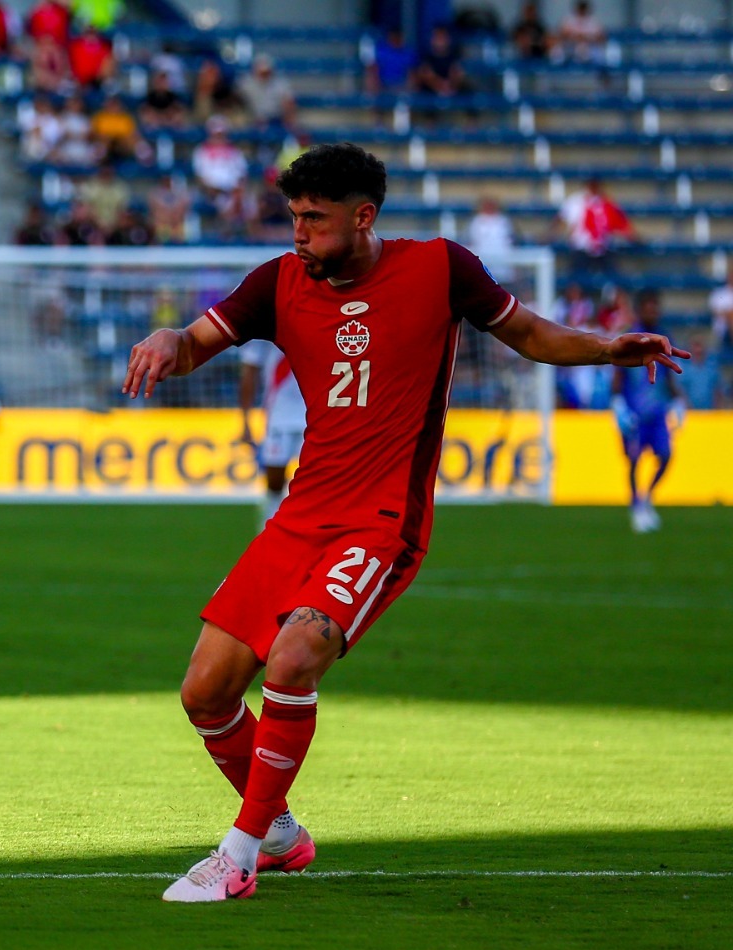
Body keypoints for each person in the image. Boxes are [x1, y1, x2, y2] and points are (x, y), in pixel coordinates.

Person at [121, 143, 685, 903]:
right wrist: (170, 341)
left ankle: (240, 853)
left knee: (293, 659)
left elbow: (529, 334)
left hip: (381, 523)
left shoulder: (441, 268)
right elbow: (194, 344)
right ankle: (279, 830)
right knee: (205, 693)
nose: (299, 234)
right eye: (293, 217)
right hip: (300, 516)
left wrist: (607, 348)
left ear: (364, 217)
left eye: (315, 220)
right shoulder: (278, 281)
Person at [612, 290, 686, 533]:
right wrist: (617, 404)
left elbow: (669, 373)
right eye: (649, 307)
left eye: (656, 307)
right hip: (634, 413)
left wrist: (679, 401)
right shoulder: (630, 338)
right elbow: (618, 373)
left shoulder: (664, 338)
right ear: (639, 310)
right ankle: (635, 505)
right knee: (634, 460)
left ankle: (647, 498)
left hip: (657, 412)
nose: (653, 312)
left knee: (665, 455)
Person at [237, 339, 304, 528]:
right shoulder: (264, 334)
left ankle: (314, 532)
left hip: (313, 416)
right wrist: (245, 421)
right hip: (278, 416)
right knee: (274, 481)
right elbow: (249, 372)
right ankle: (268, 528)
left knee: (318, 481)